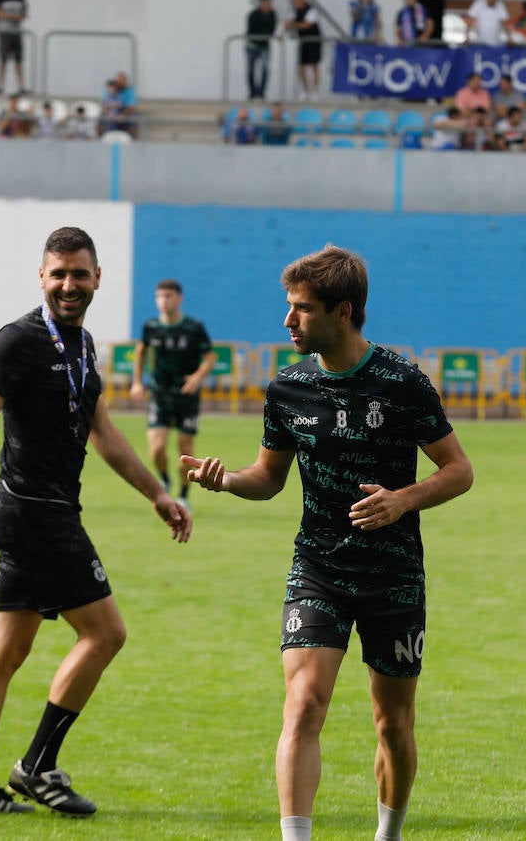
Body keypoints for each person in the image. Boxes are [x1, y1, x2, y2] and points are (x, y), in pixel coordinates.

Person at [180, 244, 474, 841]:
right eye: (289, 307)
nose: (288, 320)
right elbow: (268, 479)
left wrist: (403, 499)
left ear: (343, 312)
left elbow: (458, 470)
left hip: (394, 575)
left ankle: (387, 835)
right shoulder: (286, 389)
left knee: (392, 722)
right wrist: (227, 480)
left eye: (302, 309)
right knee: (304, 703)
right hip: (317, 569)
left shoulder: (402, 382)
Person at [0, 227, 191, 817]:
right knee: (106, 634)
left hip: (34, 512)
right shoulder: (17, 340)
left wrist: (158, 495)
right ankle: (36, 766)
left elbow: (105, 436)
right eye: (58, 273)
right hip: (34, 513)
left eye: (79, 274)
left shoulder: (84, 347)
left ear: (97, 280)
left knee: (5, 652)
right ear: (41, 277)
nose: (68, 284)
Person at [130, 279, 215, 510]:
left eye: (168, 296)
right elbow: (141, 352)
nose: (163, 301)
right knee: (156, 449)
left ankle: (184, 495)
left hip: (187, 396)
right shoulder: (151, 327)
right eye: (159, 296)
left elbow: (210, 357)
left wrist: (197, 377)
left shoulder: (194, 327)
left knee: (185, 448)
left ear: (179, 299)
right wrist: (137, 382)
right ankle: (165, 479)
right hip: (160, 394)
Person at [0, 0, 29, 96]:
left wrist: (21, 16)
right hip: (4, 32)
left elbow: (24, 13)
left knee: (18, 60)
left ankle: (21, 86)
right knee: (3, 59)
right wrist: (13, 16)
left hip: (16, 32)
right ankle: (0, 86)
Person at [284, 0, 322, 102]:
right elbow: (288, 23)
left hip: (314, 41)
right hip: (303, 41)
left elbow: (307, 25)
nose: (296, 2)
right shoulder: (294, 11)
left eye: (298, 0)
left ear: (303, 0)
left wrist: (293, 24)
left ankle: (314, 91)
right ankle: (305, 90)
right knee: (301, 67)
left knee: (314, 66)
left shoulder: (311, 11)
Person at [246, 0, 278, 100]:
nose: (267, 6)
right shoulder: (253, 14)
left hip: (264, 46)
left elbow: (271, 29)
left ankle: (261, 92)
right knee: (251, 70)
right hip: (252, 45)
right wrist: (264, 35)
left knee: (265, 69)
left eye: (268, 3)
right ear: (261, 4)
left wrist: (264, 35)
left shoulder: (272, 14)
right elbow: (252, 30)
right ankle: (252, 92)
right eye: (265, 3)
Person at [98, 72, 138, 137]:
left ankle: (133, 140)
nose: (121, 82)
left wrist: (121, 115)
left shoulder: (130, 90)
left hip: (124, 111)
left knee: (134, 118)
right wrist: (108, 114)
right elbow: (103, 104)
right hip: (110, 112)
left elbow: (131, 107)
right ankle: (99, 139)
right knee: (100, 118)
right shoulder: (109, 90)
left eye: (123, 80)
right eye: (119, 81)